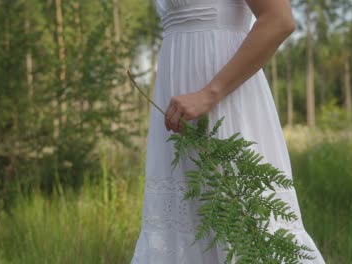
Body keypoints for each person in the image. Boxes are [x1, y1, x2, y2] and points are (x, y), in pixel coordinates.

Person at [131, 0, 326, 263]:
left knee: (243, 228)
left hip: (225, 105)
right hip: (177, 116)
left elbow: (280, 20)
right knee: (191, 227)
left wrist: (209, 94)